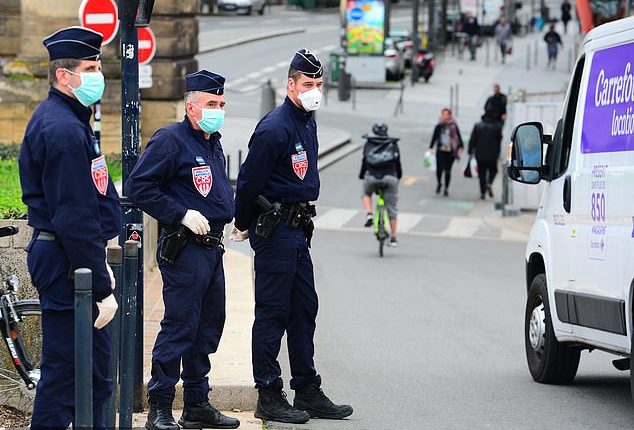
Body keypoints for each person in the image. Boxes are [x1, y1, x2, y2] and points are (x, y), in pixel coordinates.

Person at [232, 49, 353, 424]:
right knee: (273, 312)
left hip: (298, 229)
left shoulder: (306, 120)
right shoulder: (275, 127)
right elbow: (249, 181)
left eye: (319, 85)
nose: (314, 90)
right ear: (291, 85)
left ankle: (307, 388)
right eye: (308, 84)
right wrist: (243, 222)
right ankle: (268, 393)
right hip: (276, 229)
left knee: (304, 310)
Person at [126, 70, 239, 430]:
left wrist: (231, 214)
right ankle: (159, 406)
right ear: (191, 107)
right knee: (179, 327)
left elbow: (212, 187)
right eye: (211, 104)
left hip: (212, 248)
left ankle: (196, 404)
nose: (217, 109)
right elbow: (139, 187)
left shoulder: (212, 141)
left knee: (207, 327)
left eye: (221, 104)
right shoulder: (171, 140)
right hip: (185, 249)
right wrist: (181, 214)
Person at [18, 27, 120, 428]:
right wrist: (100, 284)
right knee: (65, 373)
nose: (99, 75)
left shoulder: (75, 119)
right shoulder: (60, 129)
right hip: (64, 260)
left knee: (94, 372)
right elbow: (73, 216)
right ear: (64, 75)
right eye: (91, 67)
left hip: (73, 256)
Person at [359, 122, 403, 246]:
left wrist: (362, 175)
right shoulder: (393, 143)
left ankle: (369, 213)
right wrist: (398, 176)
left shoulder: (369, 143)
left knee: (365, 193)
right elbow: (397, 162)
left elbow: (365, 161)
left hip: (372, 176)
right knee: (392, 209)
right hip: (390, 177)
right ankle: (393, 238)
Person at [468, 109, 503, 199]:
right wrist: (498, 153)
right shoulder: (497, 127)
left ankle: (482, 193)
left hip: (480, 154)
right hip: (492, 154)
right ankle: (489, 183)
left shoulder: (478, 126)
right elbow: (499, 141)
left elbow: (472, 140)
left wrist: (470, 150)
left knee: (482, 174)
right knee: (494, 170)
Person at [429, 108, 464, 197]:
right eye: (443, 114)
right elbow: (434, 137)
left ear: (449, 115)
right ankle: (439, 183)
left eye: (446, 114)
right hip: (441, 150)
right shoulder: (439, 126)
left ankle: (446, 188)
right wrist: (431, 147)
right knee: (439, 169)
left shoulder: (453, 126)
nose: (444, 116)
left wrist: (460, 147)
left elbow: (458, 137)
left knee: (448, 170)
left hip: (450, 151)